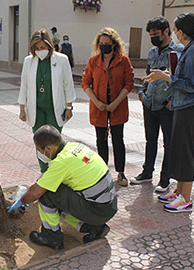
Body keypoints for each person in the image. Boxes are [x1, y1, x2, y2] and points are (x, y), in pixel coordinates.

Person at [8, 125, 117, 250]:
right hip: (108, 206)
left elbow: (35, 194)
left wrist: (21, 201)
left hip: (97, 210)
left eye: (39, 150)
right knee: (57, 199)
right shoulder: (75, 147)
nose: (39, 153)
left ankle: (52, 238)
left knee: (47, 196)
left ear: (48, 148)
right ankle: (94, 228)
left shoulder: (61, 162)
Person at [143, 13, 194, 213]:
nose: (174, 33)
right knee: (180, 151)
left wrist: (164, 77)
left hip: (188, 107)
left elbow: (190, 85)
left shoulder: (193, 51)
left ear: (180, 32)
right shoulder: (191, 49)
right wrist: (163, 76)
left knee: (186, 152)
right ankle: (180, 193)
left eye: (175, 29)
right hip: (182, 107)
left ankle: (186, 199)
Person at [130, 16, 184, 193]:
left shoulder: (178, 51)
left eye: (156, 34)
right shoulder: (153, 52)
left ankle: (165, 178)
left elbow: (180, 79)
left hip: (166, 107)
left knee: (168, 143)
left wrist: (172, 101)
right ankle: (147, 172)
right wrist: (142, 94)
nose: (153, 37)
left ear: (167, 32)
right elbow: (148, 74)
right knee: (150, 140)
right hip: (149, 104)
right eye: (151, 34)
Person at [81, 27, 134, 187]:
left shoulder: (123, 60)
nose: (104, 46)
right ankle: (102, 172)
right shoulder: (93, 62)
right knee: (101, 141)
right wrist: (97, 102)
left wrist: (116, 103)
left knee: (118, 140)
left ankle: (121, 172)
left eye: (107, 43)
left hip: (117, 108)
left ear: (114, 44)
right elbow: (85, 83)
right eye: (101, 43)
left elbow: (129, 83)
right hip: (99, 109)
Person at [18, 29, 76, 173]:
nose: (39, 50)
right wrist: (22, 108)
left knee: (54, 142)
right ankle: (44, 173)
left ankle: (57, 172)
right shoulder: (29, 61)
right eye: (36, 48)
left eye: (42, 47)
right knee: (40, 142)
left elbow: (67, 83)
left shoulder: (61, 59)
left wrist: (69, 107)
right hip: (36, 109)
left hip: (55, 108)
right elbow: (24, 84)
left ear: (49, 46)